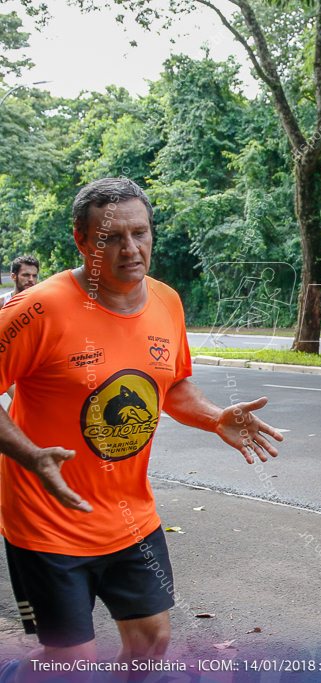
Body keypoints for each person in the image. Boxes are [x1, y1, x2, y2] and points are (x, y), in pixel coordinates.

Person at [0, 178, 284, 681]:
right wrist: (30, 454)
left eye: (141, 233)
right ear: (82, 241)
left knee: (152, 639)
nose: (131, 249)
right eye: (112, 238)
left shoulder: (166, 303)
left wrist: (216, 416)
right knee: (71, 664)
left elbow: (172, 388)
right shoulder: (37, 310)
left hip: (129, 514)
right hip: (46, 518)